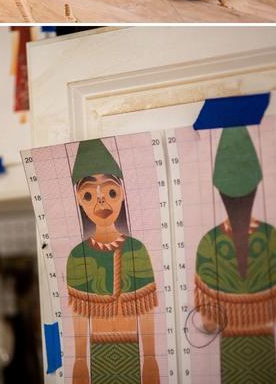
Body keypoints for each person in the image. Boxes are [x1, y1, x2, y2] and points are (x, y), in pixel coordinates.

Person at [195, 126, 276, 383]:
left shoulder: (209, 242)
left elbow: (208, 323)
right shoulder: (270, 236)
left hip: (233, 344)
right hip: (257, 342)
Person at [66, 139, 158, 384]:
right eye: (89, 194)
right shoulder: (78, 256)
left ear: (123, 193)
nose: (102, 202)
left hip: (132, 351)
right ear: (79, 199)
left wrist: (149, 359)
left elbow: (146, 312)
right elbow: (79, 316)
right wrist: (79, 362)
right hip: (99, 355)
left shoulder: (136, 249)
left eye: (111, 192)